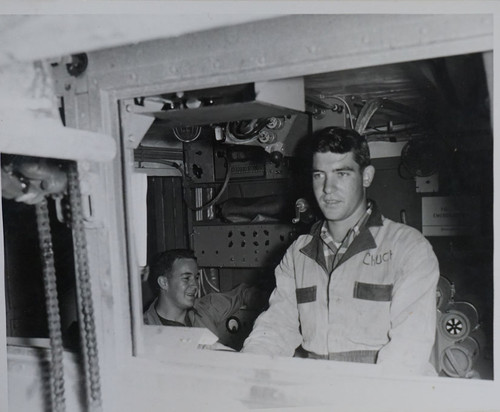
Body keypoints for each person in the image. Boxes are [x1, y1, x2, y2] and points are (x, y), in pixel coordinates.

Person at [242, 126, 439, 375]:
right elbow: (276, 328)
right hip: (320, 391)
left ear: (366, 176)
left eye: (342, 174)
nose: (328, 188)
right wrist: (246, 372)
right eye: (319, 175)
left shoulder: (407, 247)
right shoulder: (298, 253)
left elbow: (408, 353)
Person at [143, 249, 265, 348]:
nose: (195, 285)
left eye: (196, 278)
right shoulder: (144, 331)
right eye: (186, 278)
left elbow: (242, 294)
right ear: (164, 282)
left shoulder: (205, 308)